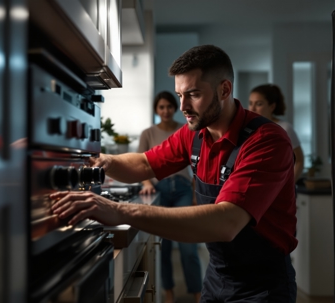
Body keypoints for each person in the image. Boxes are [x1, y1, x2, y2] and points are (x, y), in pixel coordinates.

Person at [51, 45, 297, 302]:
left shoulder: (266, 141)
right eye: (180, 95)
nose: (183, 106)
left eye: (193, 94)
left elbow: (227, 222)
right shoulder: (194, 134)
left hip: (262, 286)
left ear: (224, 89)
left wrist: (119, 211)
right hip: (217, 278)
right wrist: (106, 161)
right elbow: (145, 164)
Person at [138, 91, 202, 303]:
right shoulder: (147, 133)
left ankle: (198, 293)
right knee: (163, 247)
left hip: (184, 189)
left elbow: (196, 166)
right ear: (156, 110)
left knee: (188, 248)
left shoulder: (187, 130)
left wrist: (195, 194)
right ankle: (168, 291)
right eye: (161, 107)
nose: (165, 111)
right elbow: (141, 165)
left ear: (175, 108)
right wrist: (146, 183)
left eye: (169, 106)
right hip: (160, 191)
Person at [248, 84, 304, 183]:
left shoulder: (285, 128)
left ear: (272, 106)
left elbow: (299, 160)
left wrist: (288, 184)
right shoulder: (248, 129)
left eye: (259, 104)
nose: (252, 108)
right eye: (250, 103)